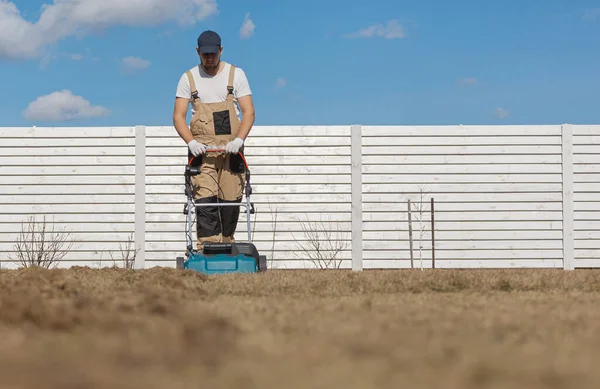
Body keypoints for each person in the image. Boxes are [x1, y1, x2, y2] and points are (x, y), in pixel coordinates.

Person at [172, 29, 255, 252]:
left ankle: (228, 248)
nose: (209, 59)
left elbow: (248, 112)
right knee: (206, 203)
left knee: (230, 203)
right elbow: (178, 116)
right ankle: (206, 250)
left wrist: (239, 140)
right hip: (202, 155)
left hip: (231, 152)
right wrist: (191, 142)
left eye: (213, 54)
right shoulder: (188, 78)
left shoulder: (236, 75)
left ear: (221, 50)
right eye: (205, 54)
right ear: (198, 52)